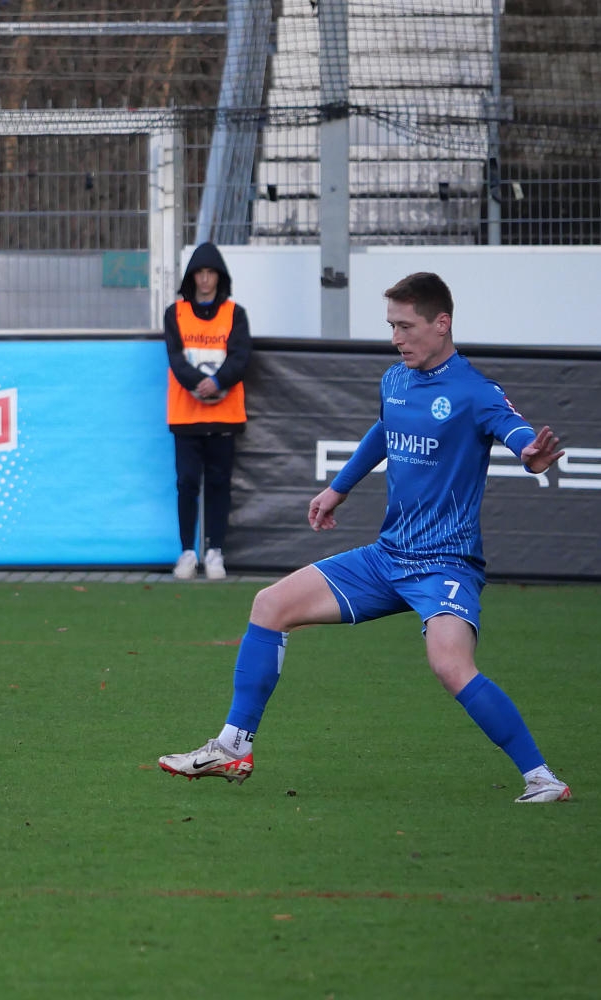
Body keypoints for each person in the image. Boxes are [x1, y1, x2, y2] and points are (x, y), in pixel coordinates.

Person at [158, 272, 571, 804]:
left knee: (450, 664)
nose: (396, 338)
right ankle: (233, 746)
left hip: (445, 564)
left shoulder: (475, 391)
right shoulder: (395, 379)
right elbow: (383, 431)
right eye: (391, 326)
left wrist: (530, 455)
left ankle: (542, 778)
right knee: (269, 605)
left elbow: (517, 434)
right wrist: (338, 488)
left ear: (441, 324)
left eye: (406, 326)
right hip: (387, 557)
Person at [164, 242, 251, 581]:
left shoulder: (235, 313)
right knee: (186, 483)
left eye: (210, 273)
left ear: (219, 277)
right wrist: (199, 384)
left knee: (218, 484)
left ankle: (215, 551)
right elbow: (175, 358)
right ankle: (188, 551)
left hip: (224, 416)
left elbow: (241, 358)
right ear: (191, 277)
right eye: (199, 273)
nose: (204, 279)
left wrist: (217, 382)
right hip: (185, 416)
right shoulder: (175, 313)